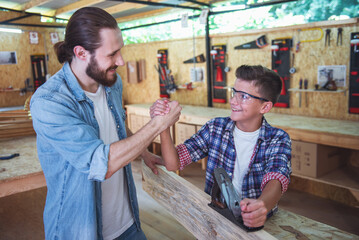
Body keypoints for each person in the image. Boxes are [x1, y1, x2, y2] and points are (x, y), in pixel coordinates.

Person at [30, 7, 181, 240]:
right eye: (112, 54)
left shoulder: (111, 81)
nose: (120, 61)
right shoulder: (49, 102)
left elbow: (116, 123)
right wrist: (158, 125)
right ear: (81, 53)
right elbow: (100, 163)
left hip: (127, 222)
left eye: (119, 51)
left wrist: (144, 153)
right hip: (80, 230)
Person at [150, 65, 291, 228]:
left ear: (265, 107)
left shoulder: (278, 139)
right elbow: (173, 163)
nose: (233, 101)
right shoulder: (215, 128)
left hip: (258, 223)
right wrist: (163, 125)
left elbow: (276, 178)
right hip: (217, 217)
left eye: (244, 97)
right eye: (234, 92)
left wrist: (261, 206)